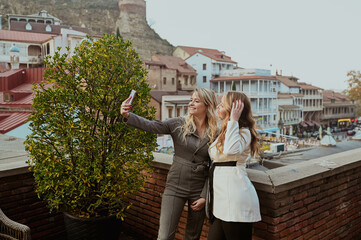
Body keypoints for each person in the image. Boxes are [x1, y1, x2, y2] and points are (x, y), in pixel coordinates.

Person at [121, 88, 218, 240]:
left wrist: (205, 195)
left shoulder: (216, 132)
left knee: (193, 236)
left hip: (199, 189)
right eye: (191, 99)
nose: (191, 103)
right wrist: (127, 115)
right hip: (175, 185)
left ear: (207, 105)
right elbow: (152, 126)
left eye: (196, 101)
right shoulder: (178, 124)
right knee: (165, 236)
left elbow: (215, 166)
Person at [207, 91, 261, 240]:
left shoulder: (243, 132)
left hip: (236, 199)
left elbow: (230, 151)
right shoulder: (226, 132)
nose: (218, 106)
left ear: (234, 109)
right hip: (221, 200)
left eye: (223, 104)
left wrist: (233, 120)